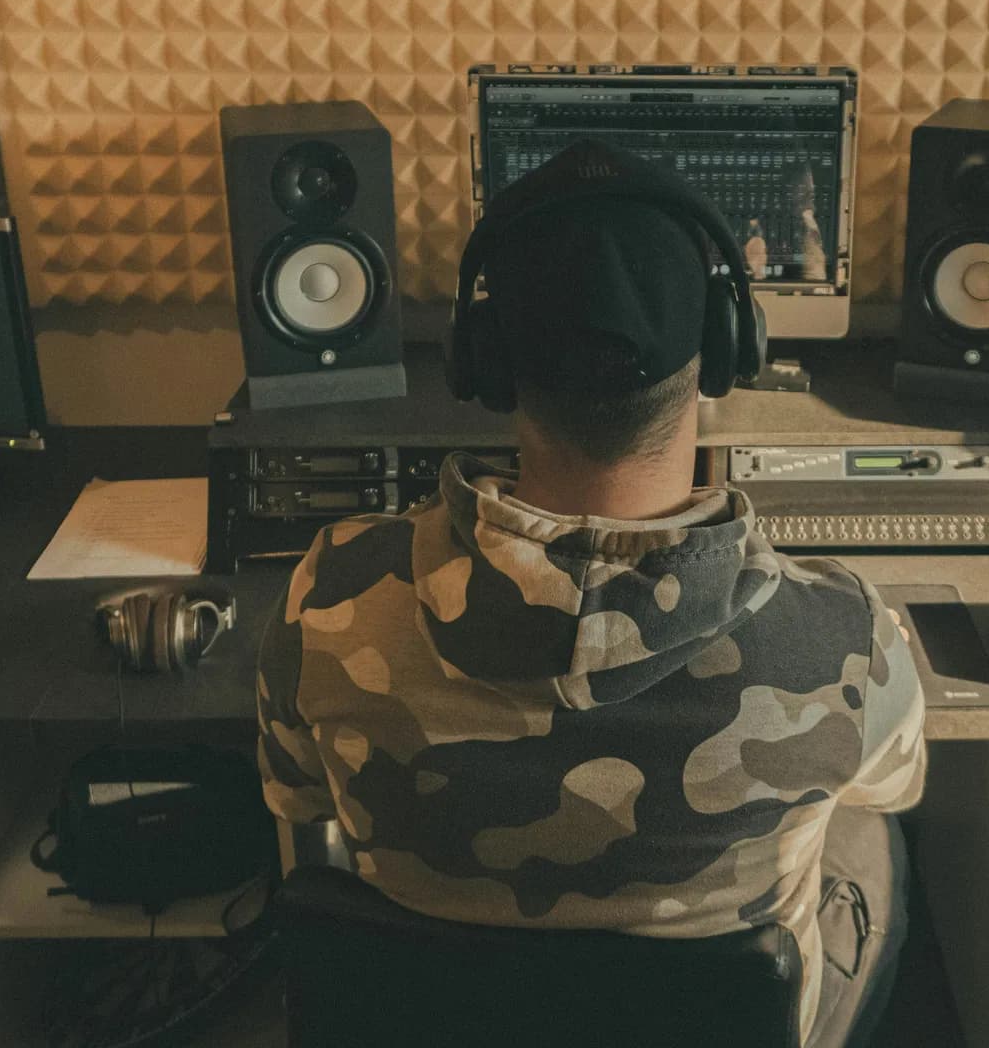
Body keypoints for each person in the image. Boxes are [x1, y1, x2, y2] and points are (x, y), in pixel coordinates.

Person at [253, 140, 926, 1047]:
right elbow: (901, 781)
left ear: (484, 362)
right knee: (871, 838)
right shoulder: (845, 637)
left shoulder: (326, 594)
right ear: (729, 350)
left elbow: (295, 798)